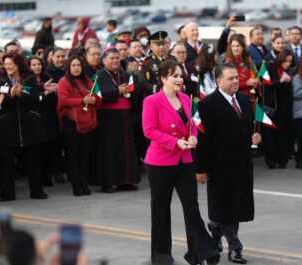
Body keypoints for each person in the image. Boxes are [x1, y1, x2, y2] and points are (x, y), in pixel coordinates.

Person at [142, 60, 220, 265]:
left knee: (191, 207)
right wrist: (175, 142)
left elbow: (193, 124)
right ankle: (161, 255)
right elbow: (149, 131)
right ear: (163, 78)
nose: (179, 79)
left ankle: (201, 252)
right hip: (160, 162)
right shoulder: (152, 101)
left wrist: (193, 137)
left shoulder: (186, 98)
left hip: (185, 160)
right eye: (174, 76)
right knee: (160, 208)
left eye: (180, 75)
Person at [195, 63, 261, 264]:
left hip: (242, 164)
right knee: (226, 206)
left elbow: (246, 128)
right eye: (230, 78)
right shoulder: (208, 105)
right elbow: (203, 140)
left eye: (236, 78)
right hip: (219, 165)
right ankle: (235, 247)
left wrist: (255, 137)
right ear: (218, 81)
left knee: (236, 207)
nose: (235, 81)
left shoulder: (243, 99)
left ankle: (215, 228)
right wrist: (201, 169)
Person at [0, 53, 47, 201]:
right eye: (5, 64)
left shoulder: (29, 78)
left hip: (29, 125)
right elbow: (0, 103)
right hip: (9, 126)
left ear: (18, 64)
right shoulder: (2, 81)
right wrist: (11, 95)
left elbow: (35, 98)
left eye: (10, 63)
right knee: (8, 162)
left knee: (33, 160)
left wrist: (22, 93)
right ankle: (7, 194)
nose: (8, 66)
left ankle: (37, 192)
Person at [95, 48, 140, 192]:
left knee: (126, 149)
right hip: (108, 118)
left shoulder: (125, 74)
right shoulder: (99, 75)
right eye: (111, 58)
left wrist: (132, 88)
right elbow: (99, 94)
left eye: (117, 58)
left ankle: (126, 181)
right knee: (111, 150)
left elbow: (135, 91)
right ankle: (109, 182)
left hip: (125, 116)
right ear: (104, 61)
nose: (115, 61)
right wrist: (117, 91)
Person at [57, 55, 99, 196]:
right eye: (73, 65)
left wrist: (93, 99)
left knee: (84, 154)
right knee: (73, 154)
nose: (76, 68)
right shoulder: (64, 81)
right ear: (69, 67)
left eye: (79, 65)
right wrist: (82, 100)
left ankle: (84, 183)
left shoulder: (87, 81)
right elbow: (63, 100)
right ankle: (76, 185)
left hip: (87, 121)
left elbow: (95, 96)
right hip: (71, 122)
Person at [28, 56, 65, 185]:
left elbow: (55, 98)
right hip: (35, 118)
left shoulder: (47, 79)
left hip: (49, 117)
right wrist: (44, 92)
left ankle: (49, 175)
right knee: (38, 151)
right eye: (33, 64)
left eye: (38, 64)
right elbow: (31, 99)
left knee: (50, 148)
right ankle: (40, 178)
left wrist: (54, 92)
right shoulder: (26, 82)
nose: (37, 66)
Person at [261, 49, 294, 169]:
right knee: (269, 135)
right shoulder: (269, 65)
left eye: (290, 62)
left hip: (283, 106)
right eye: (286, 61)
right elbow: (265, 83)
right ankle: (271, 160)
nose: (288, 64)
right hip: (269, 106)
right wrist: (280, 81)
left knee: (282, 133)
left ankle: (282, 159)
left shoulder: (289, 71)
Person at [224, 34, 259, 109]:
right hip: (237, 99)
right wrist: (246, 83)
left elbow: (254, 75)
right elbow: (227, 85)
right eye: (233, 46)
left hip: (251, 97)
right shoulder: (229, 62)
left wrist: (255, 82)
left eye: (238, 46)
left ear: (243, 47)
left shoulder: (248, 60)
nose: (235, 49)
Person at [138, 31, 173, 97]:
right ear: (151, 46)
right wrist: (157, 88)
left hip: (172, 94)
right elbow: (142, 82)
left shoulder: (172, 59)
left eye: (163, 44)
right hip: (154, 95)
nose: (161, 47)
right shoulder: (145, 62)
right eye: (158, 45)